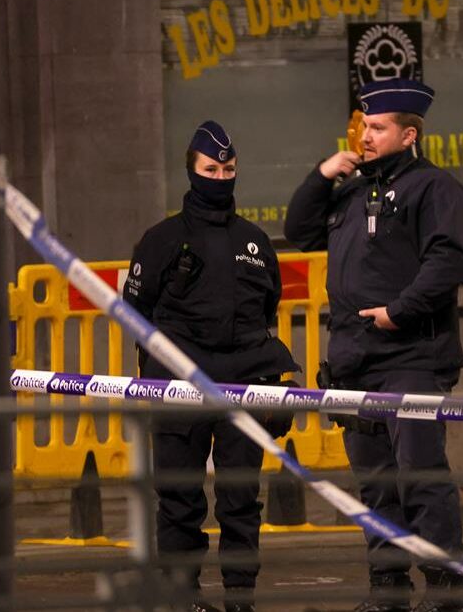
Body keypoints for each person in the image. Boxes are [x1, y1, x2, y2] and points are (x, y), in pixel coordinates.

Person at [284, 78, 463, 612]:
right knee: (375, 482)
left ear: (409, 134)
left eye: (377, 127)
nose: (365, 136)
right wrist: (322, 175)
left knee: (419, 472)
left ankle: (445, 585)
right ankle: (388, 588)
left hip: (411, 355)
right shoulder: (351, 189)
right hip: (353, 359)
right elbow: (298, 231)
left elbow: (450, 260)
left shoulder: (434, 188)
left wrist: (400, 311)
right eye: (363, 126)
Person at [124, 121, 298, 612]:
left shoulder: (255, 241)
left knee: (241, 502)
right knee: (179, 501)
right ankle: (182, 599)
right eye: (210, 169)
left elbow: (267, 312)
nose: (220, 178)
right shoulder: (161, 240)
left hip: (244, 383)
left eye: (228, 169)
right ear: (191, 170)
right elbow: (136, 310)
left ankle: (240, 599)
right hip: (179, 385)